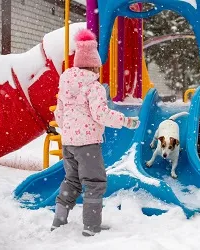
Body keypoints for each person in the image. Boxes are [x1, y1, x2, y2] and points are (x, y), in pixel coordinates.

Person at [51, 29, 140, 237]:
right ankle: (91, 227)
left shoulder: (65, 82)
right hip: (88, 144)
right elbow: (100, 114)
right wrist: (125, 121)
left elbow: (60, 112)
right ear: (94, 65)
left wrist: (67, 131)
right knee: (95, 182)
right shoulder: (94, 86)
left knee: (72, 180)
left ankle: (59, 220)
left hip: (69, 143)